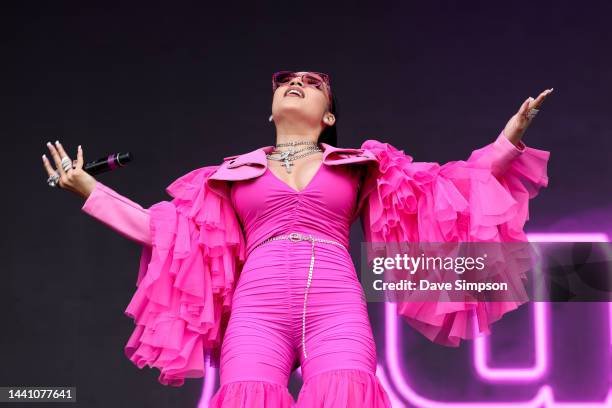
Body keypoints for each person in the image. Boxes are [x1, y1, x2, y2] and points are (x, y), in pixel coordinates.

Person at [41, 71, 552, 407]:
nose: (296, 84)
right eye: (287, 81)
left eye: (311, 83)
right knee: (247, 396)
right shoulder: (228, 175)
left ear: (328, 116)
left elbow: (448, 188)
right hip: (256, 313)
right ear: (270, 110)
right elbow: (163, 231)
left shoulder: (361, 165)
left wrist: (507, 142)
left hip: (337, 309)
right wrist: (88, 187)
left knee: (346, 394)